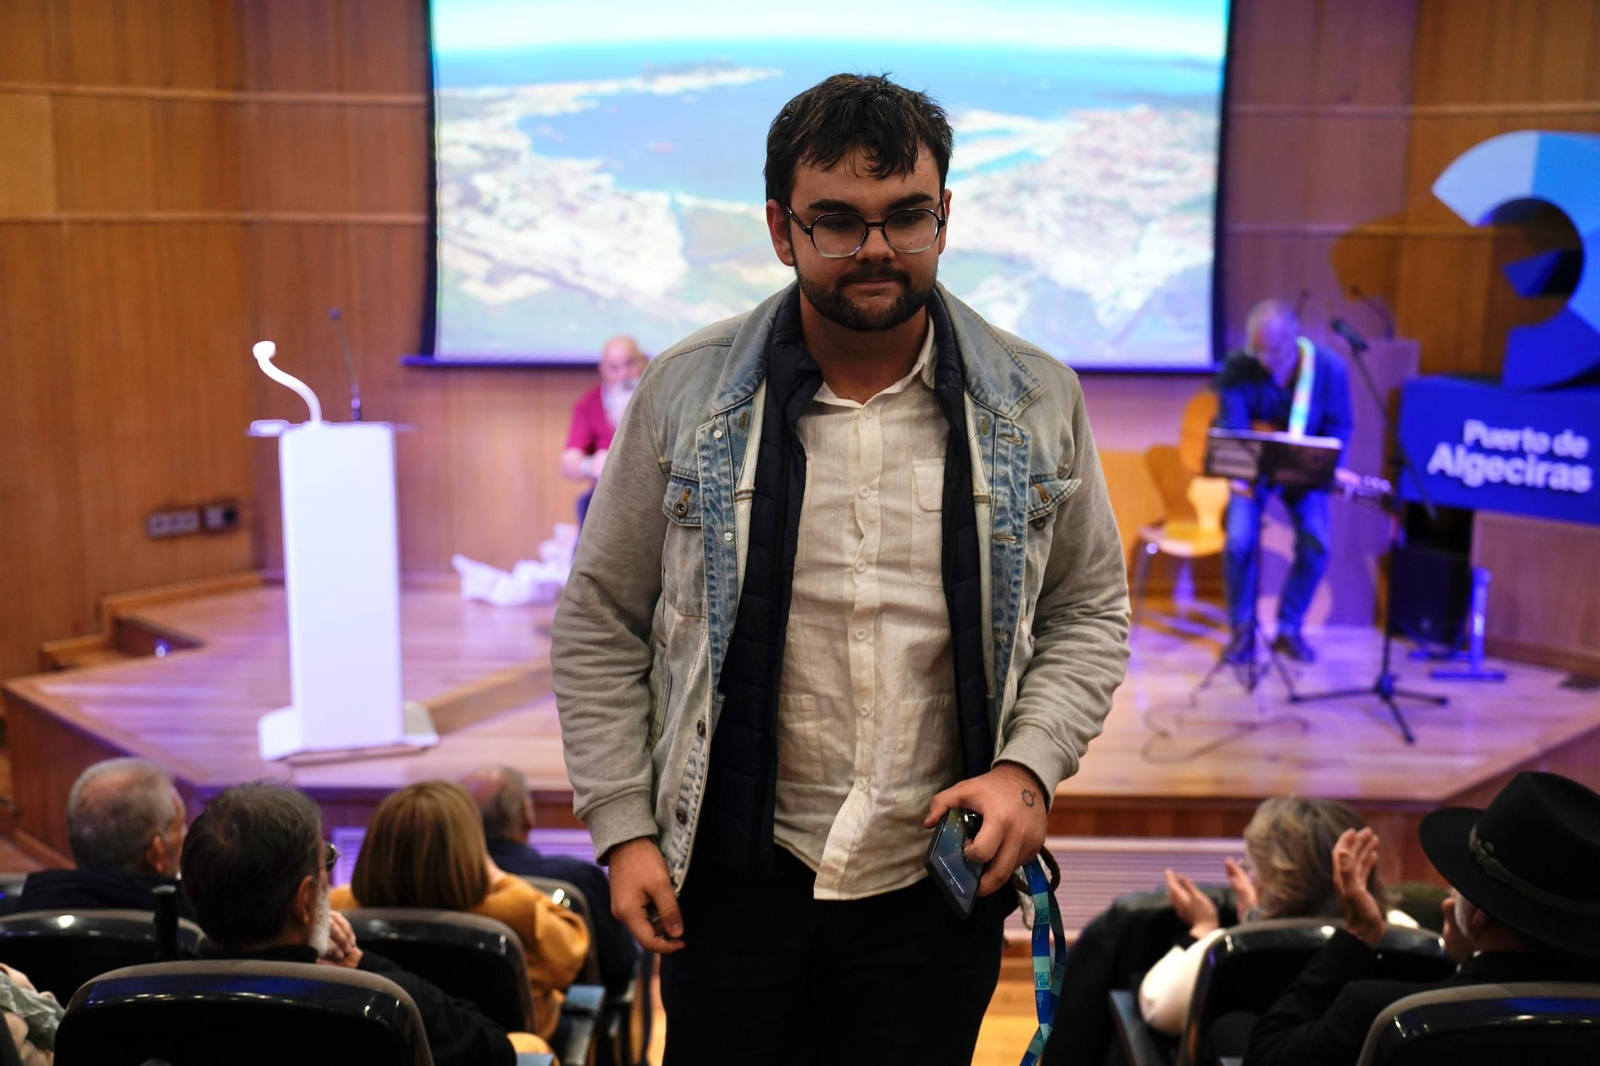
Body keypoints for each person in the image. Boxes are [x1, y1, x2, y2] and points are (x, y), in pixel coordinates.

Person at [552, 73, 1130, 1064]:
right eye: (838, 222)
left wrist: (1026, 770)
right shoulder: (684, 394)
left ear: (943, 216)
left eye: (906, 216)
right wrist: (623, 826)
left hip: (932, 890)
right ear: (781, 229)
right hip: (726, 886)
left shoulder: (1037, 400)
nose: (876, 247)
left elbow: (1087, 611)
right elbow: (600, 619)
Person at [1244, 771, 1600, 1066]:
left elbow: (1265, 1055)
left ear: (1476, 915)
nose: (1450, 889)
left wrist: (1358, 932)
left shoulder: (1382, 1011)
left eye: (1461, 882)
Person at [180, 782, 539, 1066]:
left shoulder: (149, 997)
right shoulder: (378, 1006)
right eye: (327, 864)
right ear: (305, 901)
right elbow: (496, 1052)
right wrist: (365, 965)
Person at [329, 780, 590, 1041]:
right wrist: (499, 877)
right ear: (471, 850)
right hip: (503, 1051)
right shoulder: (512, 907)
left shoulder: (340, 911)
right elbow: (571, 957)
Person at [1138, 796, 1417, 1036]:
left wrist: (1203, 929)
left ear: (1275, 881)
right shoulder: (1409, 936)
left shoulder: (1231, 951)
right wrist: (1256, 919)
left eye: (1254, 867)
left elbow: (1158, 1008)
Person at [1215, 300, 1353, 665]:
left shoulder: (1328, 368)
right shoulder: (1238, 366)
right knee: (1238, 543)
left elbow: (1339, 426)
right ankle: (1242, 631)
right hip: (1253, 472)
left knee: (1315, 542)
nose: (1263, 359)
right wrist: (1241, 472)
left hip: (1303, 474)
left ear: (1295, 338)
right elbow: (1233, 427)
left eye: (1273, 351)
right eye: (1256, 349)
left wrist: (1329, 463)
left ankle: (1288, 628)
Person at [460, 765, 640, 997]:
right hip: (560, 1022)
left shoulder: (442, 884)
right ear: (527, 814)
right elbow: (619, 969)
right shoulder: (579, 879)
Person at [17, 757, 195, 920]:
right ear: (157, 853)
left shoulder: (25, 909)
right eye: (181, 825)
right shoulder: (193, 926)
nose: (186, 834)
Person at [560, 335, 647, 527]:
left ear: (644, 362)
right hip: (608, 499)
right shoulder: (588, 404)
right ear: (602, 371)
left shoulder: (660, 399)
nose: (623, 375)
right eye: (614, 368)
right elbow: (568, 463)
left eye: (630, 364)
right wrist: (590, 465)